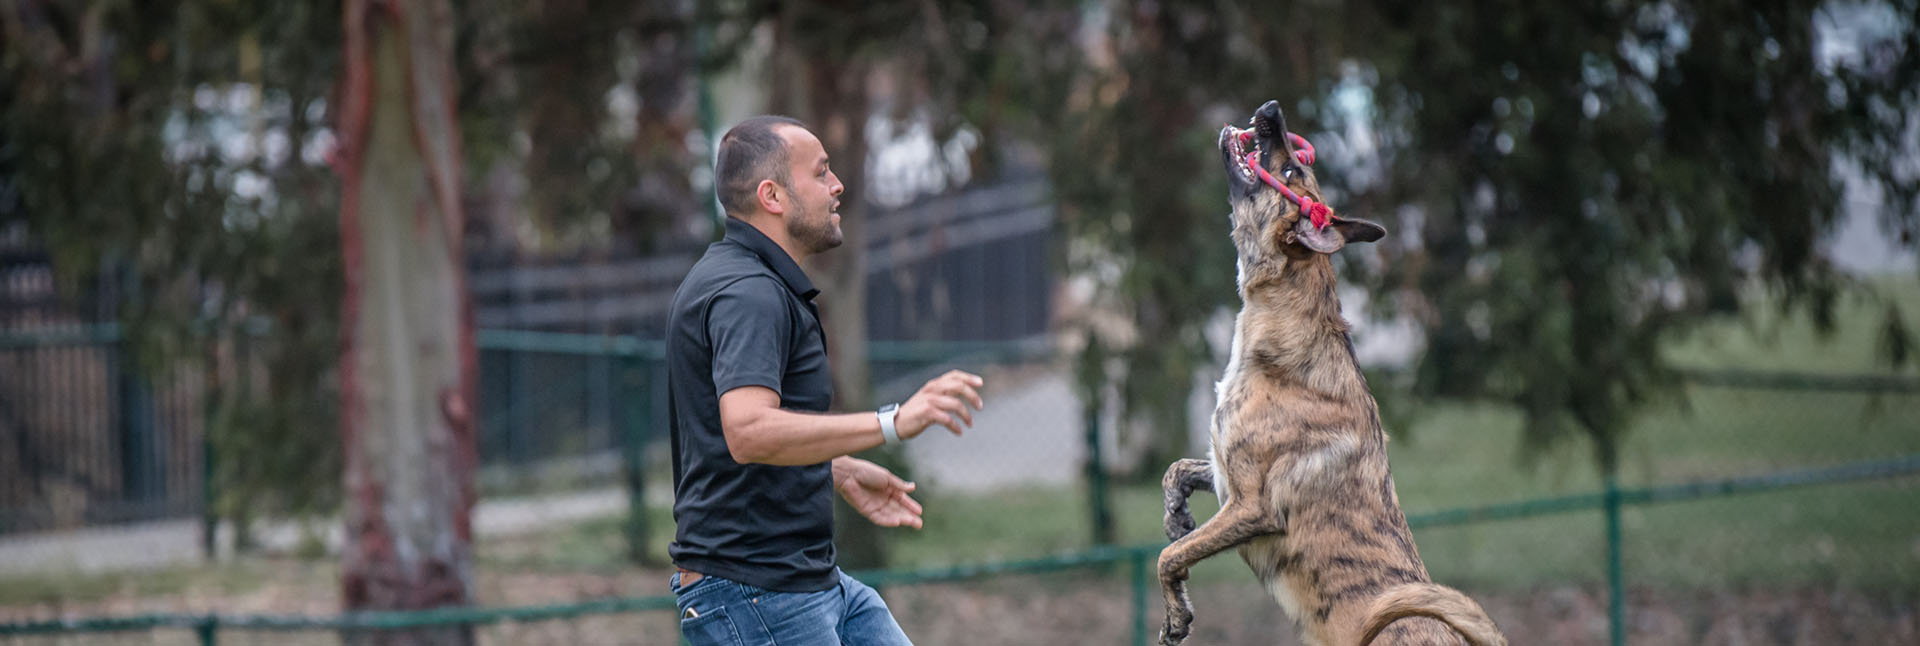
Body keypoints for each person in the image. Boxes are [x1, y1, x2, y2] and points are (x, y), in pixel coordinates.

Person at [664, 115, 986, 646]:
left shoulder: (752, 281)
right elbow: (748, 431)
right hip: (754, 596)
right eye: (821, 173)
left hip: (809, 585)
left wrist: (832, 467)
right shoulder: (747, 293)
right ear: (774, 196)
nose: (838, 186)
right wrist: (894, 422)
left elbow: (724, 438)